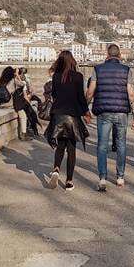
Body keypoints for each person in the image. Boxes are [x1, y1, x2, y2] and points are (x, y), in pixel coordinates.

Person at [86, 44, 134, 191]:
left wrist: (85, 108)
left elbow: (90, 92)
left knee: (102, 145)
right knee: (121, 144)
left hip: (104, 111)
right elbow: (131, 94)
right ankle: (120, 177)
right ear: (119, 55)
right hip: (121, 112)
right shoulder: (127, 70)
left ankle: (102, 178)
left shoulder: (97, 69)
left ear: (107, 54)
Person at [44, 50, 90, 191]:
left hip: (58, 115)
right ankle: (69, 181)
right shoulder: (78, 77)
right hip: (72, 116)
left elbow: (55, 95)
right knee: (71, 149)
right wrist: (86, 112)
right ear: (72, 61)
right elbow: (81, 98)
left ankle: (56, 169)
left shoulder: (56, 77)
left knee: (60, 146)